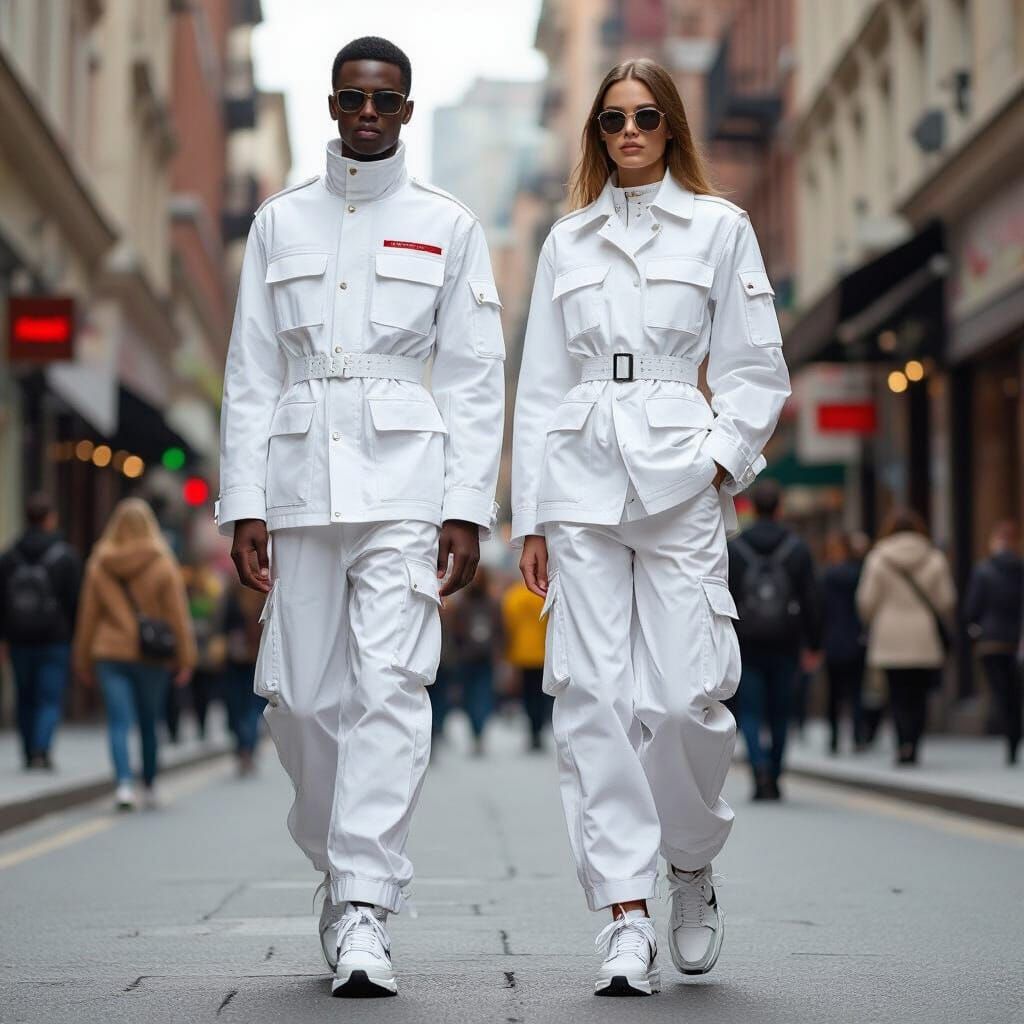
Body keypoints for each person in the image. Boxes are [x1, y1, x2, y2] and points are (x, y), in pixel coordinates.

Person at [216, 36, 504, 998]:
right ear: (333, 107)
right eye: (352, 99)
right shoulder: (278, 222)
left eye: (385, 100)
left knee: (391, 685)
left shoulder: (447, 223)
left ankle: (368, 904)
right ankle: (338, 866)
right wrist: (242, 502)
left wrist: (467, 506)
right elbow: (251, 371)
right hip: (298, 479)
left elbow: (472, 376)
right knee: (300, 699)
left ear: (407, 110)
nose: (368, 113)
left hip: (405, 486)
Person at [511, 58, 790, 996]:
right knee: (591, 697)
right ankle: (623, 913)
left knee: (684, 699)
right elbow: (541, 384)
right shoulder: (566, 240)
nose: (628, 132)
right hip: (582, 478)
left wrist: (721, 460)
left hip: (679, 474)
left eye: (645, 118)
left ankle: (691, 860)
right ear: (595, 134)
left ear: (671, 127)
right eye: (611, 121)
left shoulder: (720, 228)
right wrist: (533, 514)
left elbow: (756, 369)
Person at [72, 498, 196, 809]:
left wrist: (82, 659)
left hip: (109, 654)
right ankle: (150, 785)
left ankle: (124, 785)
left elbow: (87, 615)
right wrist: (186, 657)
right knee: (148, 722)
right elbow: (177, 615)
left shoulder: (99, 562)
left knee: (118, 722)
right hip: (150, 656)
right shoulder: (162, 561)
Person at [729, 481, 821, 800]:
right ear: (780, 508)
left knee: (751, 711)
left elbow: (723, 596)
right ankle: (777, 773)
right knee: (781, 711)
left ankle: (759, 771)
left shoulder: (736, 548)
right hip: (787, 641)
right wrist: (814, 643)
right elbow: (811, 598)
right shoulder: (797, 548)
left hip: (747, 642)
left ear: (753, 507)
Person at [856, 508, 956, 766]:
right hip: (924, 635)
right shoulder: (934, 558)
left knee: (897, 694)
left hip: (889, 634)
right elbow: (947, 600)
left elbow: (866, 601)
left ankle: (903, 745)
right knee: (919, 694)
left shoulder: (878, 558)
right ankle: (915, 743)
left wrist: (874, 618)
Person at [0, 493, 81, 770]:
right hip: (54, 639)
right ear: (49, 519)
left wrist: (3, 638)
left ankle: (27, 751)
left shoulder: (9, 556)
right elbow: (74, 602)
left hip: (19, 638)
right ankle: (41, 750)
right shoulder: (66, 557)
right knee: (49, 697)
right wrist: (74, 636)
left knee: (25, 695)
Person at [964, 521, 1023, 765]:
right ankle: (1014, 734)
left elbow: (971, 608)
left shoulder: (983, 570)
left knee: (1000, 691)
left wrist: (975, 629)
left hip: (990, 640)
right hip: (1016, 639)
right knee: (1015, 692)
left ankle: (1005, 732)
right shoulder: (1021, 569)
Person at [820, 530, 867, 754]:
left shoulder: (827, 576)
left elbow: (821, 610)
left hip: (832, 640)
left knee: (834, 694)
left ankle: (834, 738)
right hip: (856, 638)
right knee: (856, 691)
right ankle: (858, 736)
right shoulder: (858, 574)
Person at [450, 566, 503, 756]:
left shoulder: (471, 604)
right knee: (478, 696)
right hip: (471, 658)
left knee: (479, 696)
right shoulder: (467, 605)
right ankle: (477, 730)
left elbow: (500, 631)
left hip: (478, 657)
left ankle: (478, 730)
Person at [219, 578, 267, 775]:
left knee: (239, 708)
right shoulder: (263, 592)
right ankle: (248, 749)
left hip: (237, 659)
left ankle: (244, 748)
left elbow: (221, 623)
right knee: (252, 709)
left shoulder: (231, 592)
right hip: (255, 658)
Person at [501, 578, 550, 750]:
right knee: (542, 694)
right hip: (542, 651)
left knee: (528, 695)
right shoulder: (544, 594)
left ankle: (532, 731)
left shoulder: (514, 596)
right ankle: (539, 728)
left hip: (521, 653)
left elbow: (508, 626)